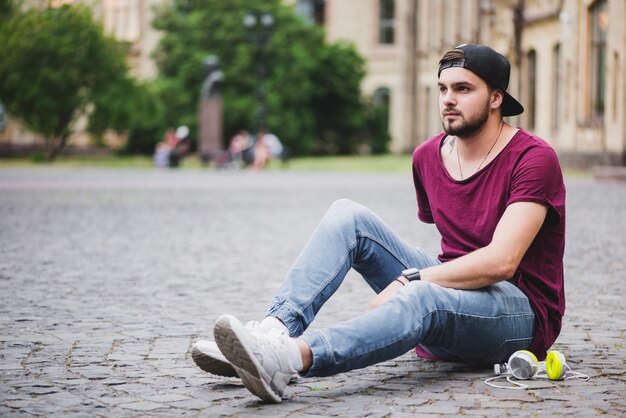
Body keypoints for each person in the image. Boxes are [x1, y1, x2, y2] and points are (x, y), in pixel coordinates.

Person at [191, 44, 566, 403]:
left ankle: (287, 358)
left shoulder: (534, 159)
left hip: (519, 315)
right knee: (347, 215)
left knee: (422, 293)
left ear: (496, 98)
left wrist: (411, 278)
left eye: (463, 89)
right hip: (453, 294)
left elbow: (501, 262)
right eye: (443, 88)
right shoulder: (427, 157)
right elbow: (453, 247)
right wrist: (419, 277)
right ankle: (272, 334)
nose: (448, 99)